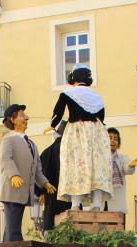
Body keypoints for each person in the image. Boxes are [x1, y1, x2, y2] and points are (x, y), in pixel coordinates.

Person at [50, 67, 111, 211]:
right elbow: (101, 117)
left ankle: (76, 204)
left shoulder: (67, 93)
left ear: (74, 78)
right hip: (96, 133)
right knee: (97, 167)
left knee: (75, 165)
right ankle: (96, 205)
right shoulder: (97, 96)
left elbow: (57, 113)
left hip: (76, 132)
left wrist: (52, 124)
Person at [0, 104, 56, 242]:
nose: (27, 118)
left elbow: (37, 170)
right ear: (13, 120)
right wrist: (14, 175)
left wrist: (45, 183)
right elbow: (6, 159)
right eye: (22, 115)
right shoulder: (9, 140)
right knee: (13, 229)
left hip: (24, 191)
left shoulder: (32, 144)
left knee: (11, 226)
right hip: (12, 190)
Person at [36, 121, 72, 232]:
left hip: (51, 201)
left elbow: (38, 175)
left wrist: (40, 192)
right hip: (70, 200)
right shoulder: (74, 151)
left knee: (51, 231)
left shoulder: (47, 152)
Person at [106, 128, 137, 215]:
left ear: (118, 144)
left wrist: (131, 166)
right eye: (110, 138)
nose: (112, 141)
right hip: (102, 205)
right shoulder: (99, 157)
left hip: (118, 206)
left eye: (115, 139)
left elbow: (127, 170)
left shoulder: (122, 158)